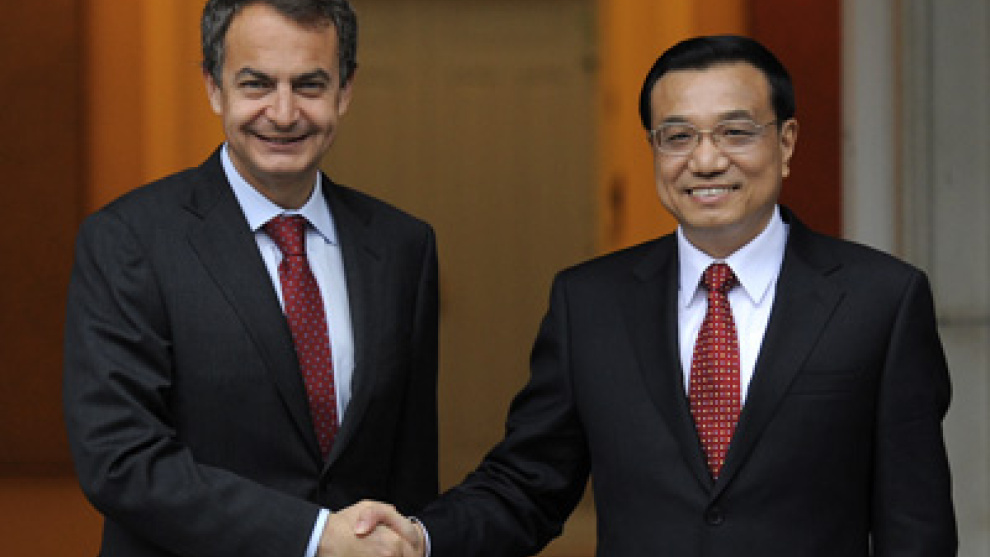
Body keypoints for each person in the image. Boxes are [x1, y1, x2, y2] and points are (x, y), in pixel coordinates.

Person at [352, 34, 957, 556]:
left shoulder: (881, 300)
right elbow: (529, 484)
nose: (706, 160)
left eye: (735, 132)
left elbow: (916, 527)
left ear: (787, 142)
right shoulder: (590, 304)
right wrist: (421, 537)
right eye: (677, 136)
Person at [62, 1, 437, 556]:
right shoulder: (128, 241)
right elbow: (120, 461)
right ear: (214, 87)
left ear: (345, 91)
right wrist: (314, 538)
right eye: (256, 84)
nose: (283, 114)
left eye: (309, 85)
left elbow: (410, 472)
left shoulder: (402, 246)